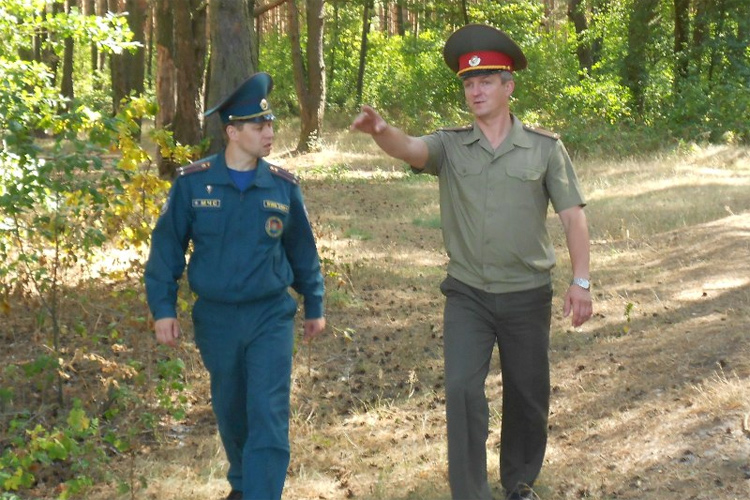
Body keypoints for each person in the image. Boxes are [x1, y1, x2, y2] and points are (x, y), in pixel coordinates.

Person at [351, 24, 592, 500]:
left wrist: (580, 281)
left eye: (485, 81)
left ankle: (519, 482)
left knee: (527, 393)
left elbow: (573, 217)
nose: (475, 91)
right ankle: (470, 491)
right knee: (462, 389)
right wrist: (381, 131)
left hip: (526, 293)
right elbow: (411, 148)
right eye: (468, 83)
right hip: (468, 293)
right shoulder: (450, 144)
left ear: (508, 86)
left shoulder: (544, 148)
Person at [144, 72, 326, 500]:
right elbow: (167, 248)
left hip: (269, 315)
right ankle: (244, 484)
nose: (269, 132)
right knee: (231, 407)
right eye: (259, 125)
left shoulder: (281, 186)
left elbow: (303, 251)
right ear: (232, 132)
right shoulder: (193, 183)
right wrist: (163, 308)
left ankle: (261, 492)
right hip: (217, 318)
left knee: (268, 409)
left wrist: (314, 303)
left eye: (270, 123)